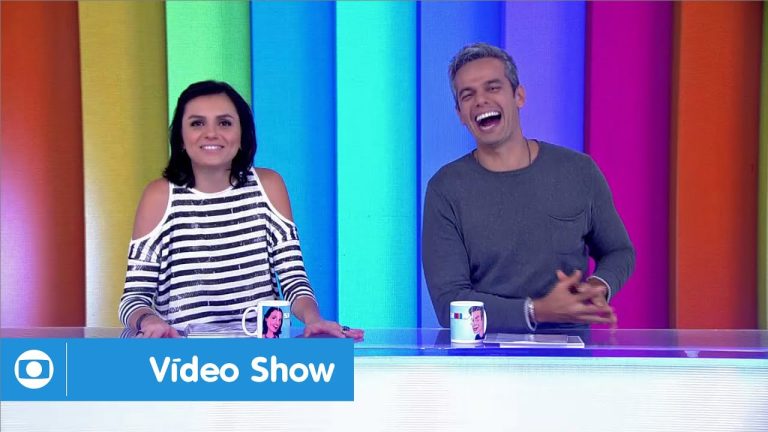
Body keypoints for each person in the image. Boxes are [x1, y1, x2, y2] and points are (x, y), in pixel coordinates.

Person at [118, 80, 363, 340]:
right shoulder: (159, 196)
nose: (211, 133)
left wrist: (314, 320)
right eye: (197, 123)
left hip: (265, 356)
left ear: (242, 134)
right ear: (180, 137)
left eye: (224, 123)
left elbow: (294, 280)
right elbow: (134, 297)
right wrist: (150, 321)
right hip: (185, 357)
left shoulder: (269, 185)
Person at [422, 43, 635, 333]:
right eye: (468, 95)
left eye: (493, 88)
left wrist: (598, 287)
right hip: (482, 356)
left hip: (570, 354)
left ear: (518, 96)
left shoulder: (579, 171)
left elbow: (619, 252)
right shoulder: (445, 189)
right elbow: (449, 303)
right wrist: (537, 311)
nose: (481, 100)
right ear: (460, 113)